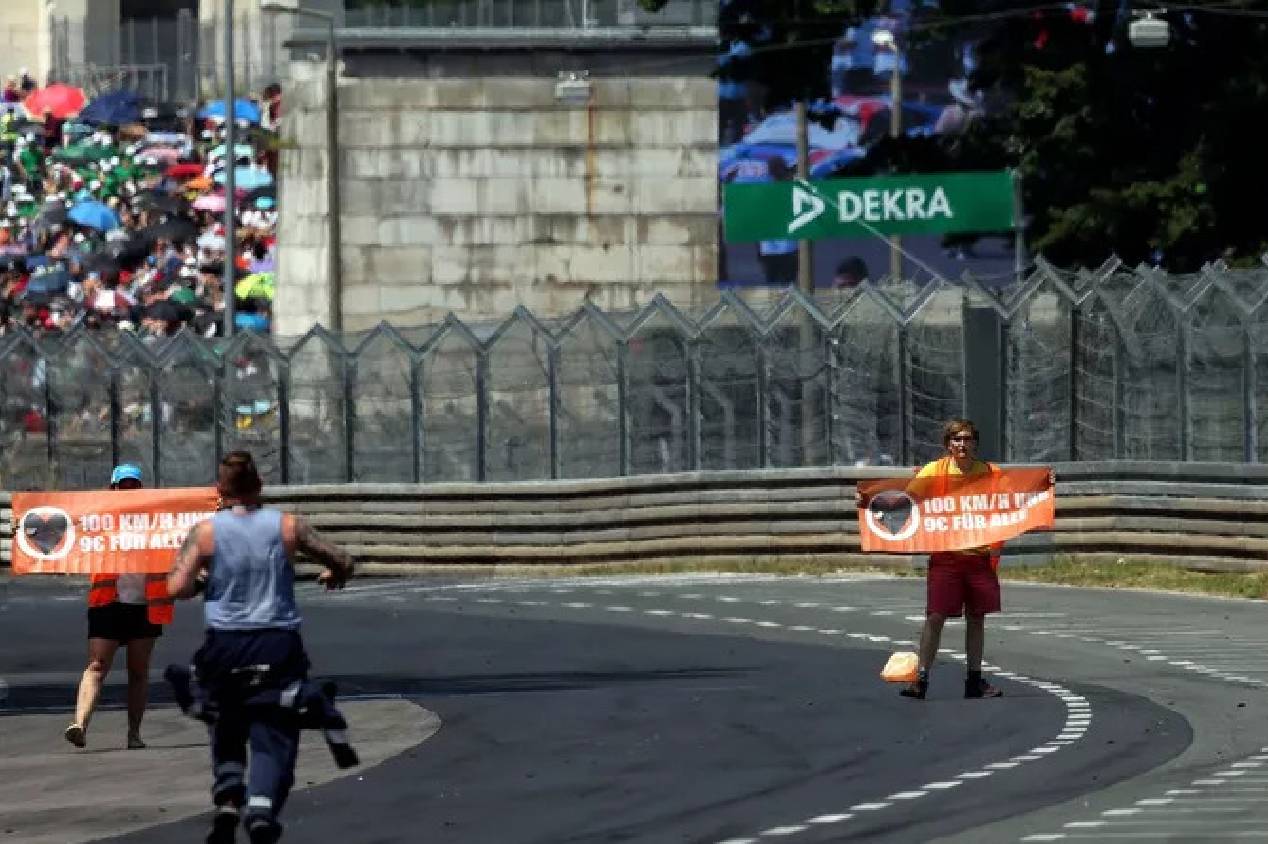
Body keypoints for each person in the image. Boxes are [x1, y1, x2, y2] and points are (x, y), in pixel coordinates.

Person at [167, 451, 354, 844]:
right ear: (260, 486)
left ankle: (227, 798)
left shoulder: (206, 532)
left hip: (226, 644)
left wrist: (205, 581)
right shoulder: (287, 526)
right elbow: (343, 559)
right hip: (276, 642)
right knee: (274, 727)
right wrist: (334, 573)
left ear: (219, 490)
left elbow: (177, 587)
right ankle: (262, 808)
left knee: (225, 717)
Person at [65, 463, 170, 750]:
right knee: (97, 665)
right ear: (112, 488)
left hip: (144, 605)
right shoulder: (97, 519)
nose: (128, 490)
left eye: (133, 486)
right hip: (107, 603)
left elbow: (181, 533)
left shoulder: (156, 520)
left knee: (138, 671)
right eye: (123, 486)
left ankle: (134, 734)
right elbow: (69, 537)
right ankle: (79, 724)